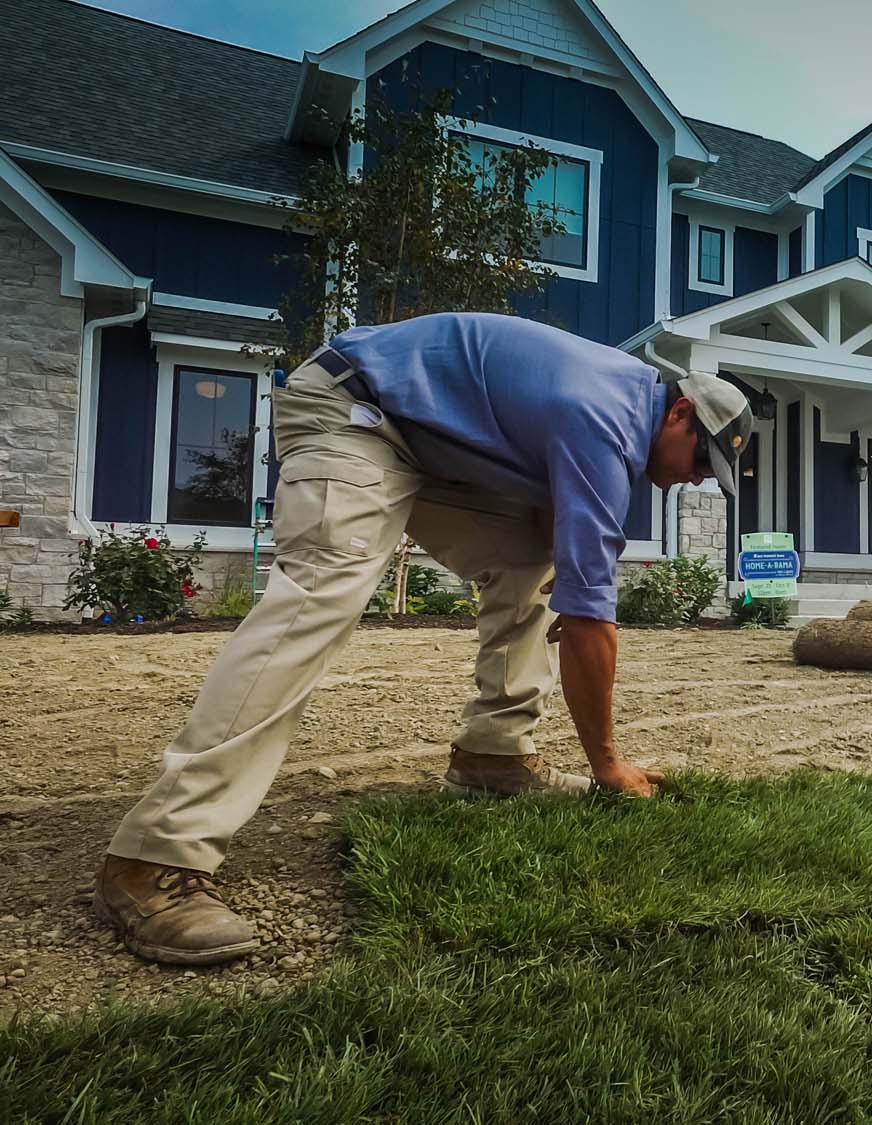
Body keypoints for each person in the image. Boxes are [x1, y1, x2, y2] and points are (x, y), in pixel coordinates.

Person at [93, 312, 750, 966]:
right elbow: (591, 622)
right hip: (353, 407)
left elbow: (554, 525)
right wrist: (608, 762)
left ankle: (495, 755)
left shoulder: (616, 407)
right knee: (324, 591)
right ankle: (157, 855)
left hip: (427, 442)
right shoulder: (607, 419)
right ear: (679, 413)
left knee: (528, 561)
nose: (696, 477)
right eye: (700, 458)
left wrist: (568, 579)